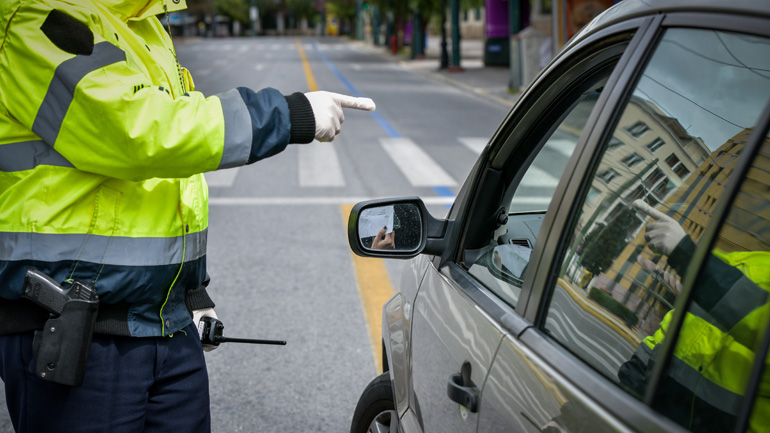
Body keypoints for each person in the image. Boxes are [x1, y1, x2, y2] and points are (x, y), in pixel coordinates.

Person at [0, 0, 375, 431]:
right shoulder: (36, 15)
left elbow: (175, 181)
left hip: (165, 326)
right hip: (74, 330)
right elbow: (140, 133)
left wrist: (191, 293)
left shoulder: (146, 27)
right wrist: (288, 115)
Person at [618, 200, 770, 432]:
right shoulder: (752, 261)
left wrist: (686, 254)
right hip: (645, 404)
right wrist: (643, 363)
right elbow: (687, 315)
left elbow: (756, 319)